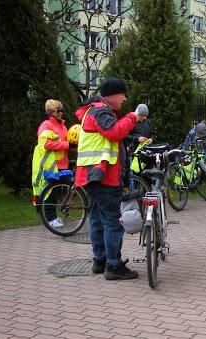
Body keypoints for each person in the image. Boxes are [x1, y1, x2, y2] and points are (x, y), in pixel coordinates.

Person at [75, 77, 144, 280]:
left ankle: (100, 260)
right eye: (123, 95)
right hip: (103, 175)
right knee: (113, 222)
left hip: (93, 175)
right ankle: (113, 265)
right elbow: (114, 132)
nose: (125, 99)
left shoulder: (94, 111)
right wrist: (132, 117)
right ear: (113, 95)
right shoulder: (100, 111)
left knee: (97, 219)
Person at [31, 99, 70, 228]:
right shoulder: (46, 125)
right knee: (50, 192)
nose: (61, 113)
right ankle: (50, 218)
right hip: (51, 164)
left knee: (56, 191)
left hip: (61, 163)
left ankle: (53, 216)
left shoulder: (62, 126)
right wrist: (67, 145)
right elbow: (46, 144)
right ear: (51, 111)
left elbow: (65, 142)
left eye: (62, 110)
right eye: (58, 110)